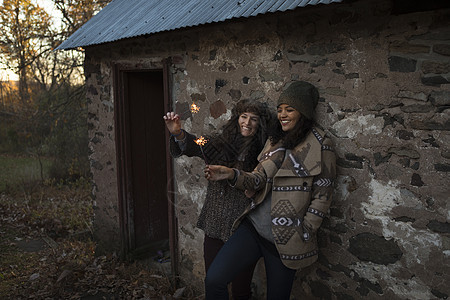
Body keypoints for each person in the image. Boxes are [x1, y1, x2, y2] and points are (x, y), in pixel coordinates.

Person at [203, 81, 336, 300]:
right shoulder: (276, 139)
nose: (282, 114)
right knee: (214, 279)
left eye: (289, 109)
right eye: (280, 109)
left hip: (285, 241)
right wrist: (230, 174)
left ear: (303, 112)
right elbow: (258, 178)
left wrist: (305, 231)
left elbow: (323, 195)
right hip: (253, 229)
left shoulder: (322, 145)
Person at [163, 99, 273, 299]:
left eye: (254, 119)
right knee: (213, 281)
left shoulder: (263, 154)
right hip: (214, 224)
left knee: (241, 288)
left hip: (243, 228)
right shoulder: (218, 142)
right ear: (237, 118)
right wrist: (178, 133)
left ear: (260, 124)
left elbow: (261, 184)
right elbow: (196, 144)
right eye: (244, 116)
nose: (247, 122)